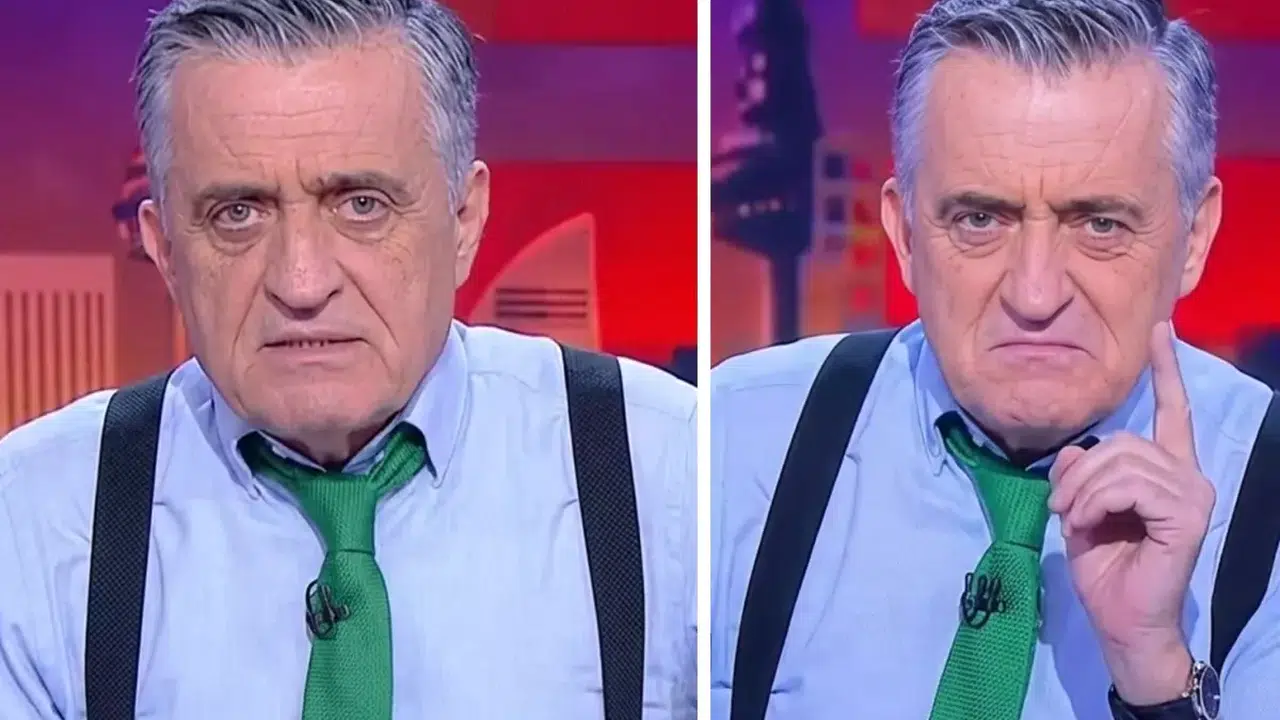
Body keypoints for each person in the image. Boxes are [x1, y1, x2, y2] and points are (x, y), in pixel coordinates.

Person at [0, 1, 695, 719]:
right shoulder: (33, 519)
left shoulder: (671, 474)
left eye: (362, 205)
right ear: (166, 251)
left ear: (464, 220)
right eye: (238, 214)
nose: (301, 282)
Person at [710, 1, 1278, 719]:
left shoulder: (1268, 496)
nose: (1034, 295)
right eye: (979, 220)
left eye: (1101, 224)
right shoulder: (733, 445)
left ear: (1194, 237)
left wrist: (1155, 671)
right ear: (905, 234)